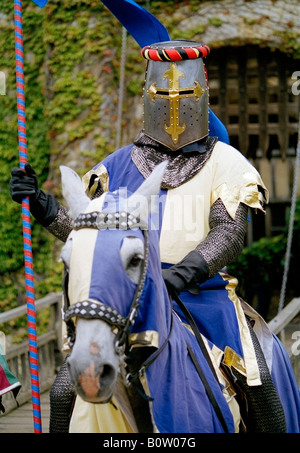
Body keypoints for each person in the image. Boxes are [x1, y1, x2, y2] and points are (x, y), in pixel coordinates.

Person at [10, 40, 300, 433]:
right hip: (133, 301)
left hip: (204, 298)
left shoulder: (225, 163)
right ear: (148, 96)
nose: (174, 105)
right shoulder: (116, 167)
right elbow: (92, 237)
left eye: (184, 94)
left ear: (203, 94)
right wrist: (43, 206)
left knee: (259, 381)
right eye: (163, 94)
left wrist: (183, 274)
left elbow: (229, 234)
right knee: (64, 390)